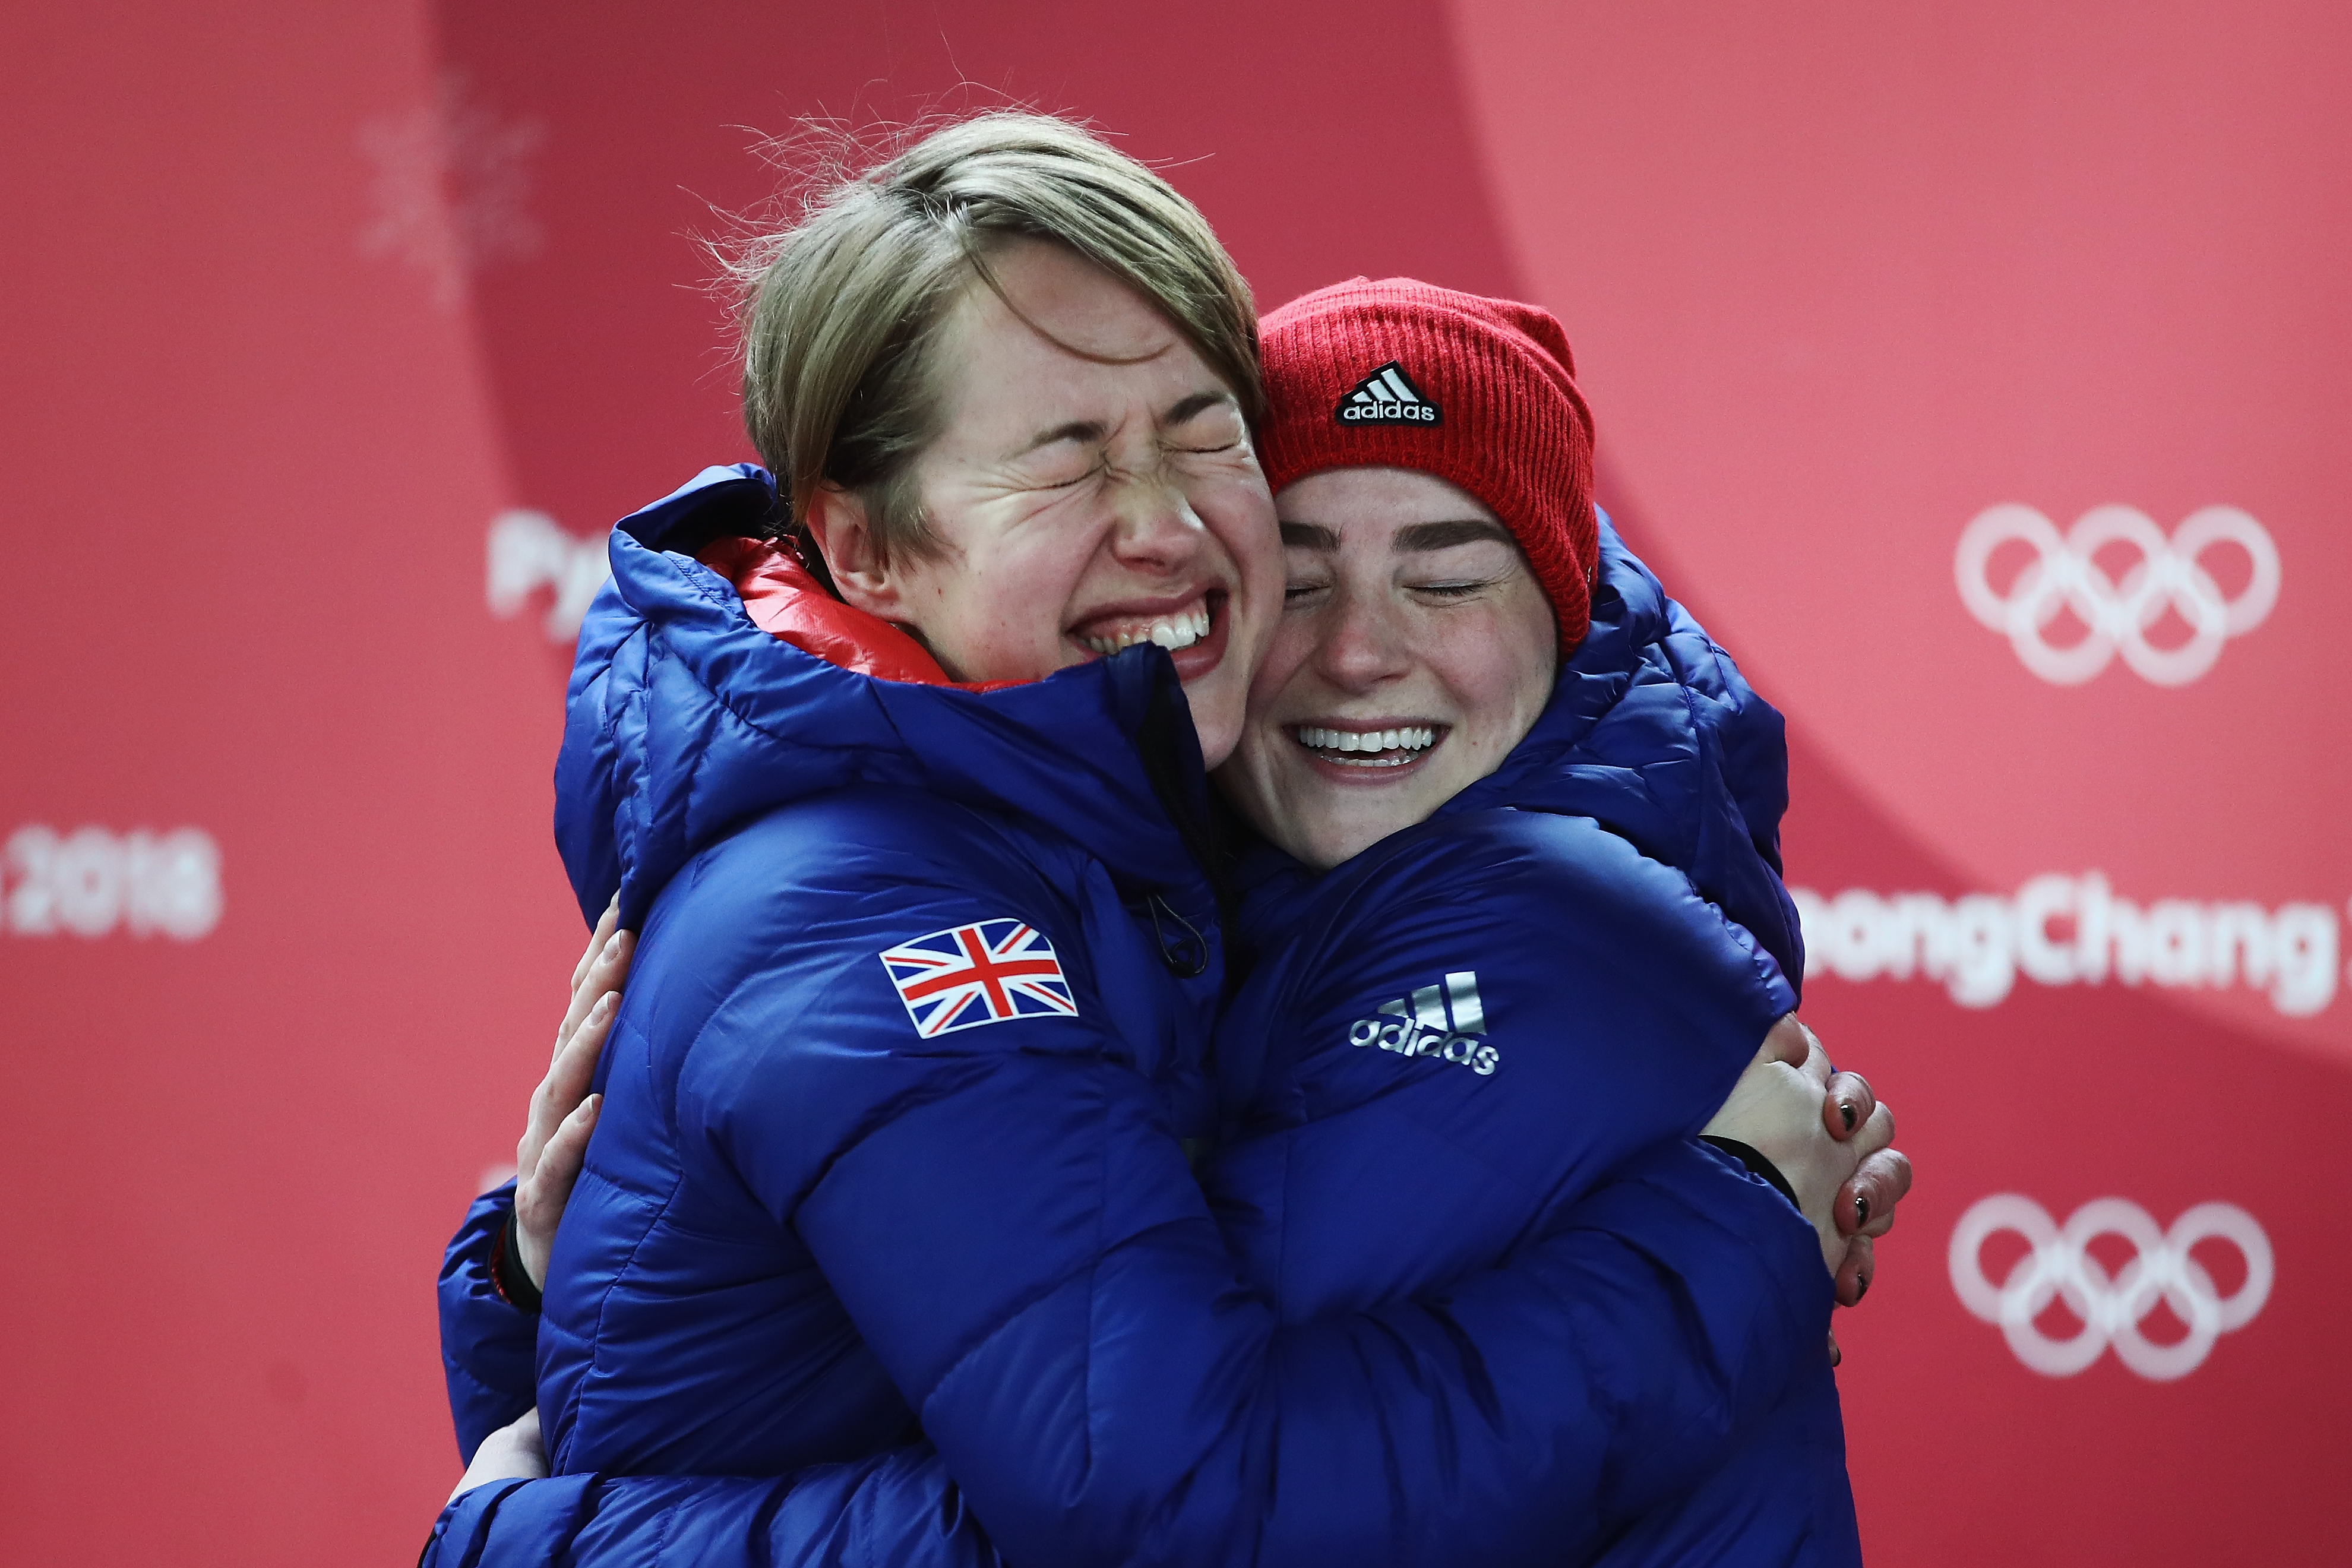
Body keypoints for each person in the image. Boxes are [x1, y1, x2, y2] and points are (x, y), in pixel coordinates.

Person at [426, 119, 1905, 1567]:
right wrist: (540, 1302)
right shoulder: (1005, 882)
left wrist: (538, 1534)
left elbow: (1186, 1497)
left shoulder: (1530, 912)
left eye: (1203, 433)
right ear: (866, 548)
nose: (1165, 524)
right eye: (1068, 460)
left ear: (1567, 611)